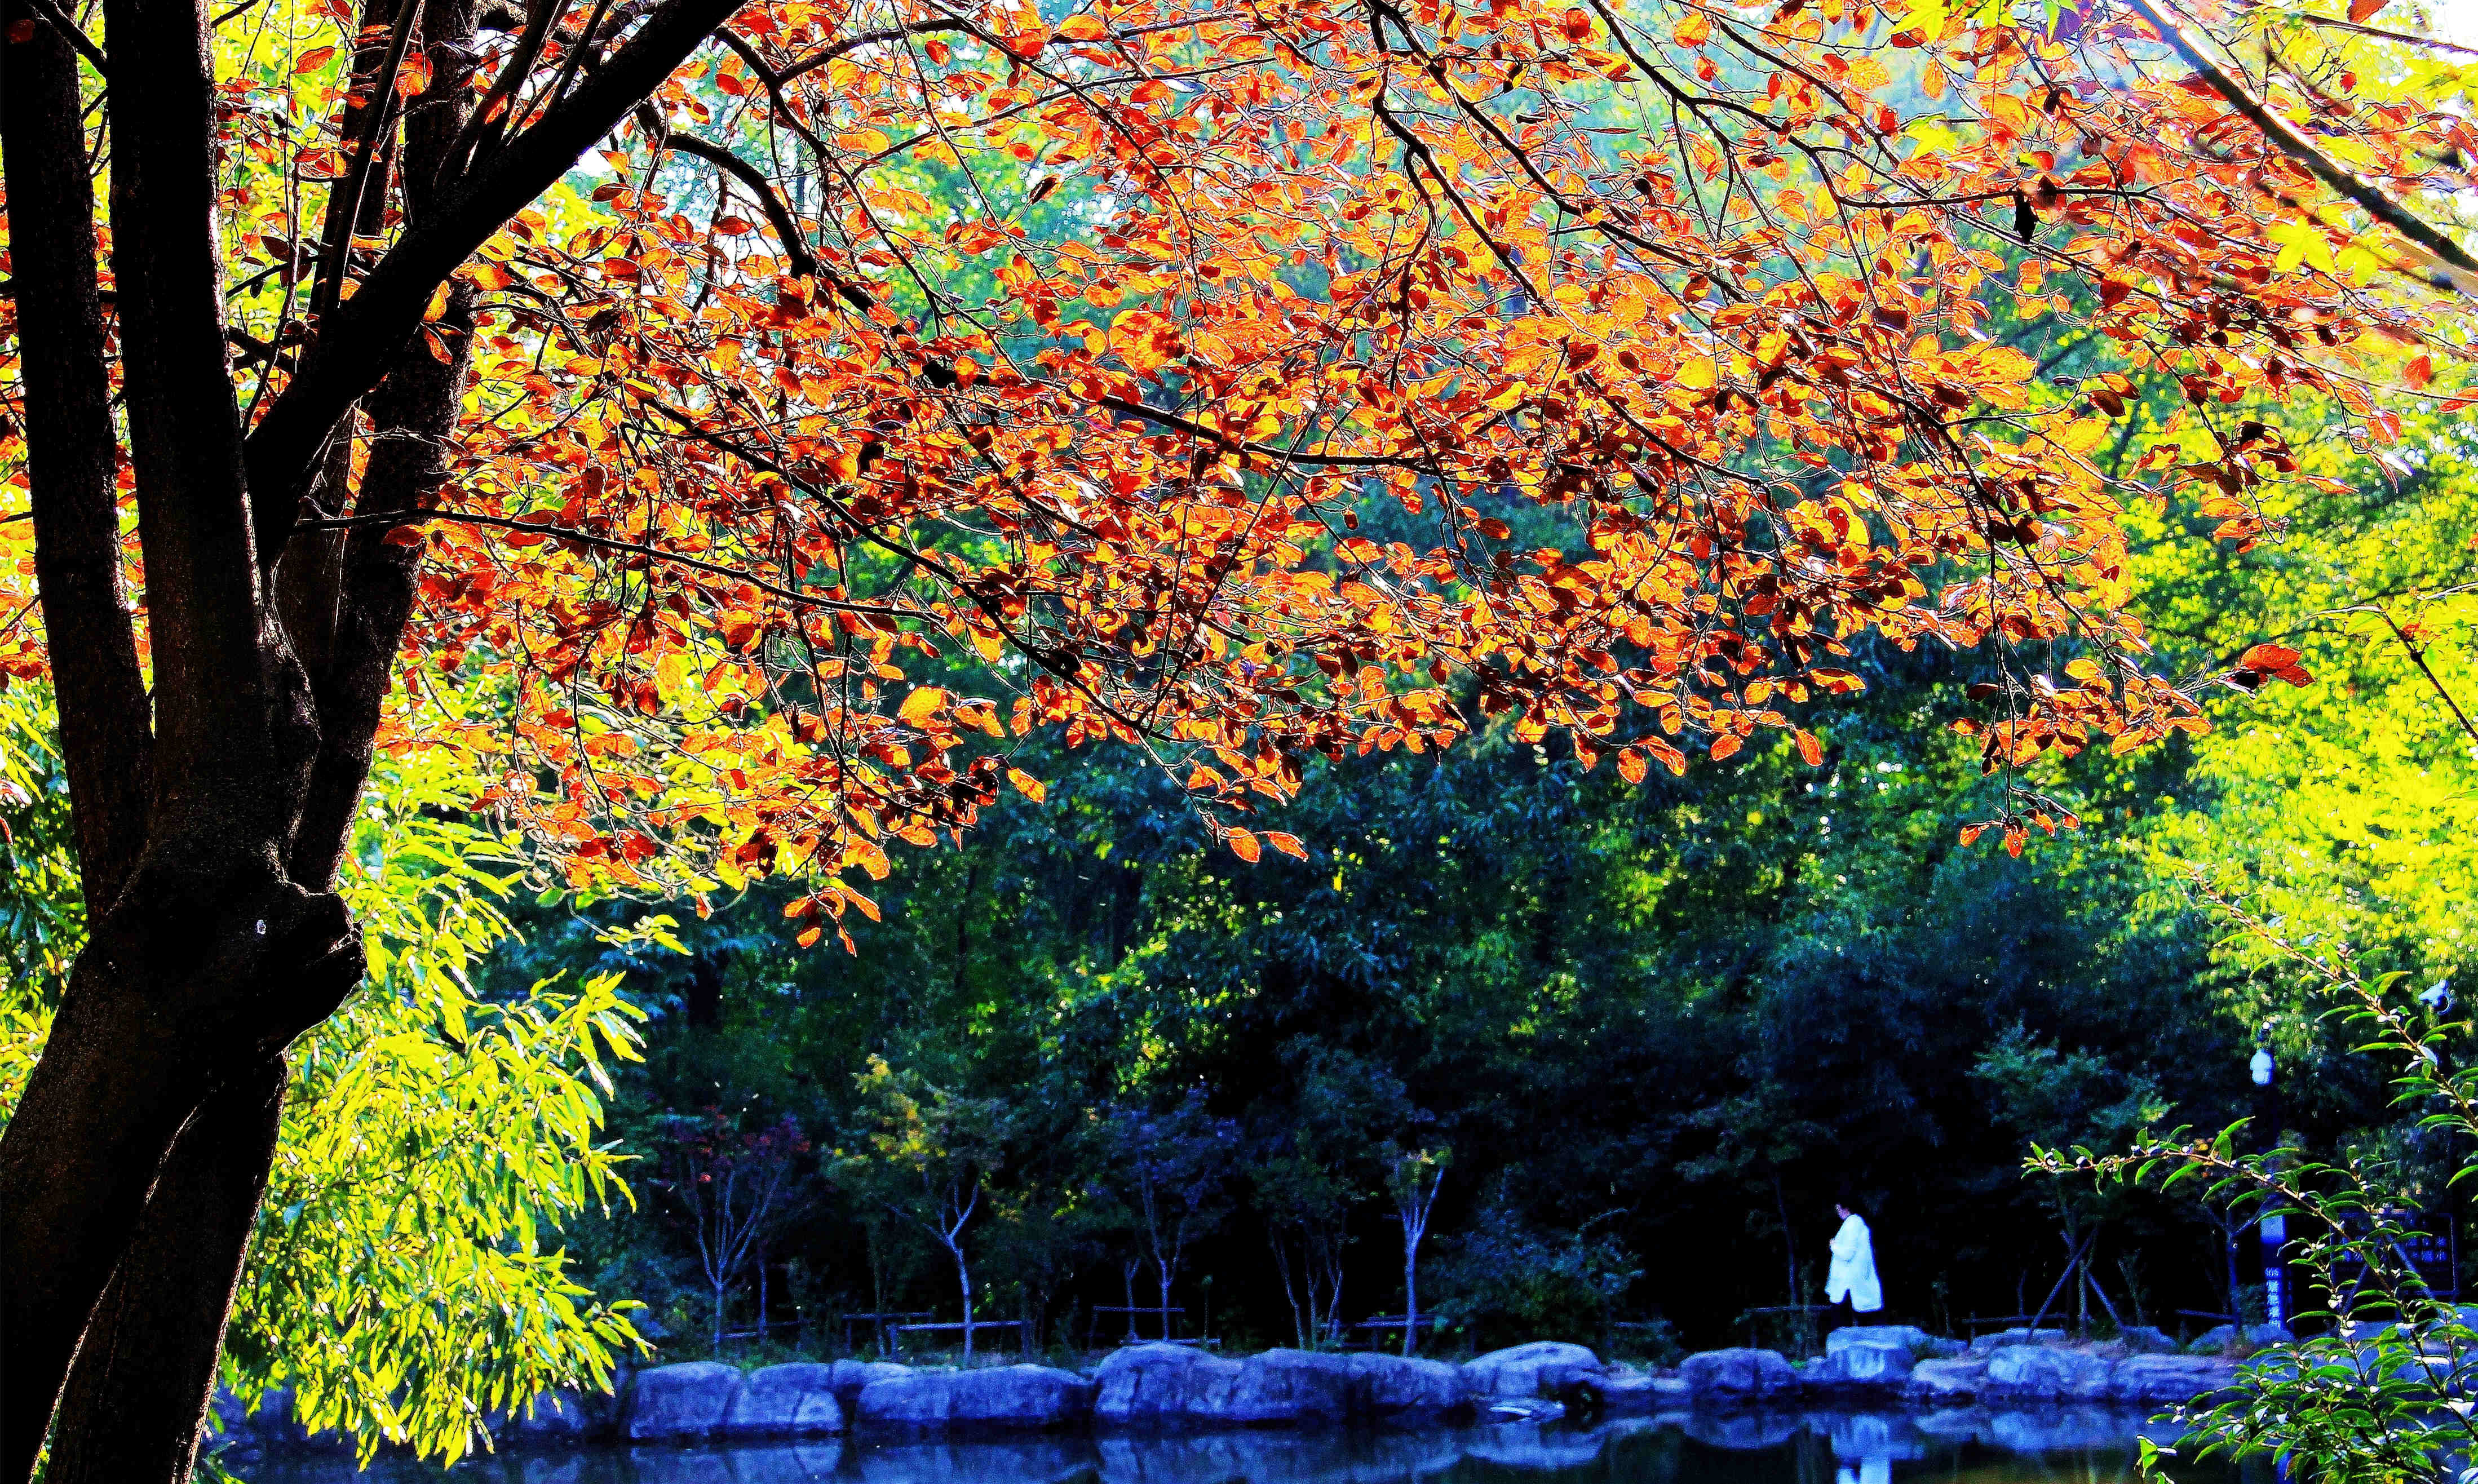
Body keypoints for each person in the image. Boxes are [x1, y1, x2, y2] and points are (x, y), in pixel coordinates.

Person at [1825, 1197, 1882, 1334]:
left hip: (1850, 1282)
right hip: (1851, 1282)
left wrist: (1834, 1246)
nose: (1838, 1213)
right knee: (1856, 1318)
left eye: (1839, 1209)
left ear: (1846, 1208)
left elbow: (1848, 1253)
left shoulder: (1853, 1224)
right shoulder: (1854, 1224)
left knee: (1843, 1322)